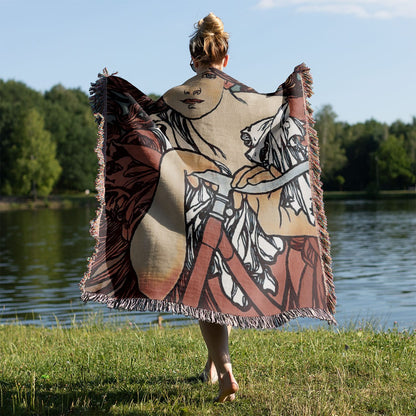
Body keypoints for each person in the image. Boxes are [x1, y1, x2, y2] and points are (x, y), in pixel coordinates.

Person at [188, 13, 239, 403]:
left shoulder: (180, 95)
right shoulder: (243, 96)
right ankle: (211, 365)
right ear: (225, 57)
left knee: (204, 294)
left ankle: (225, 372)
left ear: (194, 60)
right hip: (239, 206)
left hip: (197, 203)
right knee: (222, 287)